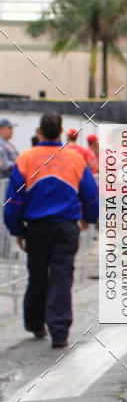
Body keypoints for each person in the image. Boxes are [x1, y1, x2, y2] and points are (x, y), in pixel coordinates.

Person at [3, 112, 99, 348]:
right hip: (66, 227)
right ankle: (59, 331)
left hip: (36, 229)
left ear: (40, 132)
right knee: (62, 276)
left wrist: (16, 230)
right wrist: (88, 218)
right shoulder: (75, 159)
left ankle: (36, 323)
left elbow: (13, 201)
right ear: (60, 131)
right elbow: (90, 195)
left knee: (37, 274)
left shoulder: (26, 158)